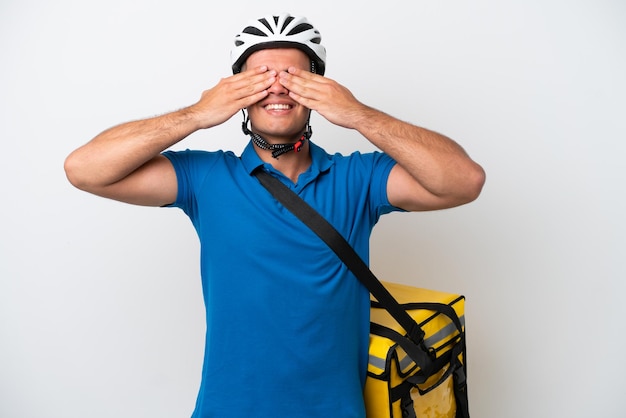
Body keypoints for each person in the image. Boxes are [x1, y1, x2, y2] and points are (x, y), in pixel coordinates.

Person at [64, 13, 485, 418]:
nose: (278, 88)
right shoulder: (208, 177)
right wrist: (197, 113)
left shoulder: (358, 178)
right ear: (237, 90)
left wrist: (358, 114)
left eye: (295, 78)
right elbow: (84, 170)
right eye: (260, 77)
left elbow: (464, 181)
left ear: (319, 89)